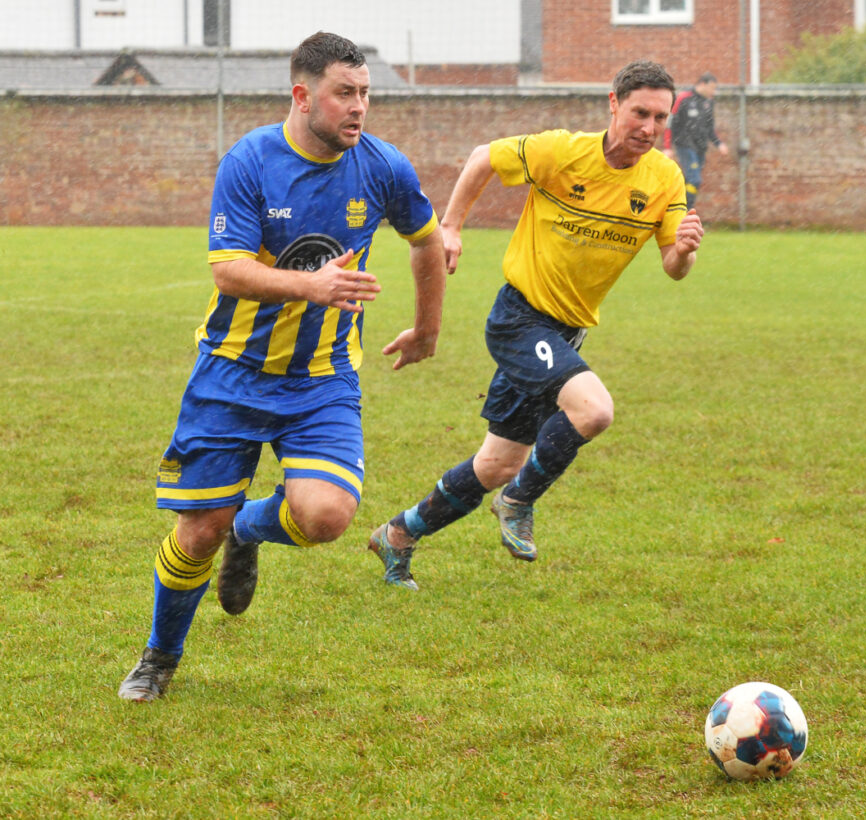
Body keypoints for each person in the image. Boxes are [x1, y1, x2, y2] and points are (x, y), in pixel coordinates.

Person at [118, 31, 447, 701]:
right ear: (303, 95)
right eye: (344, 94)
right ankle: (160, 655)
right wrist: (311, 287)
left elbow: (427, 239)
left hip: (322, 379)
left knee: (326, 515)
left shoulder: (384, 167)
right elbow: (230, 271)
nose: (359, 108)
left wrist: (427, 329)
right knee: (196, 532)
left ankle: (250, 528)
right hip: (232, 373)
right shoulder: (250, 162)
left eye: (365, 95)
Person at [367, 60, 704, 591]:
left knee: (497, 463)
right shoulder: (563, 152)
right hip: (520, 319)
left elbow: (673, 267)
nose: (649, 127)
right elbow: (483, 157)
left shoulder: (664, 178)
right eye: (640, 112)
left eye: (660, 118)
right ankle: (519, 501)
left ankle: (398, 535)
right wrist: (450, 226)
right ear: (613, 104)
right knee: (594, 410)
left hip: (566, 334)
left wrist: (683, 250)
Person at [663, 72, 729, 210]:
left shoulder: (708, 102)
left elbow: (710, 128)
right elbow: (670, 124)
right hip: (685, 145)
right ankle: (685, 212)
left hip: (700, 148)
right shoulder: (684, 98)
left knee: (688, 181)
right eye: (712, 88)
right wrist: (667, 147)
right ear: (702, 84)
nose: (713, 92)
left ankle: (675, 209)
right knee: (695, 179)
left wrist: (719, 144)